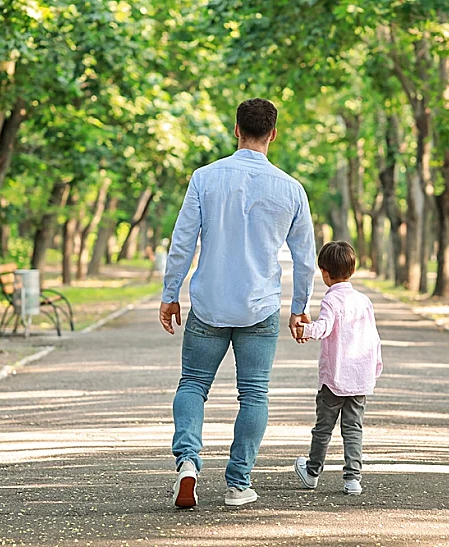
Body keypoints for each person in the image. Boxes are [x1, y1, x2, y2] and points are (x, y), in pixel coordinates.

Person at [159, 98, 316, 508]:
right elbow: (305, 258)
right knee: (254, 394)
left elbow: (182, 242)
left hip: (208, 302)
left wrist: (170, 293)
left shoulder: (205, 178)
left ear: (236, 130)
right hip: (260, 306)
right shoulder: (291, 189)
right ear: (273, 134)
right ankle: (238, 483)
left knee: (193, 384)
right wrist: (300, 307)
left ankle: (188, 463)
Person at [293, 241, 382, 495]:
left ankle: (312, 472)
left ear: (324, 272)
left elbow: (323, 328)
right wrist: (375, 367)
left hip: (334, 378)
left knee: (323, 428)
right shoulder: (363, 300)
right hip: (359, 379)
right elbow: (373, 337)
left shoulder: (331, 300)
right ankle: (353, 479)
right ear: (352, 270)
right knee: (353, 428)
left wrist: (305, 330)